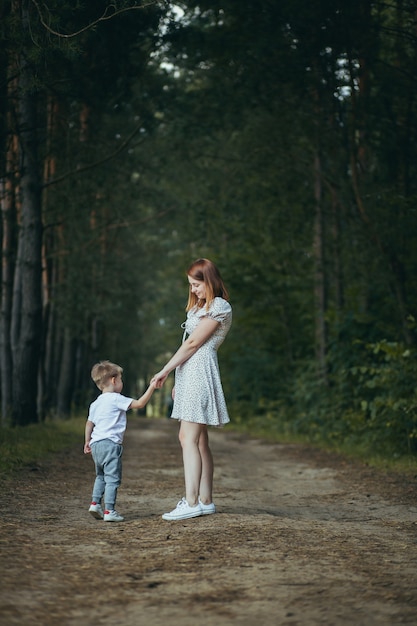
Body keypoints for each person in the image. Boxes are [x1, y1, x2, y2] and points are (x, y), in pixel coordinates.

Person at [151, 258, 232, 521]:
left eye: (196, 284)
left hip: (200, 373)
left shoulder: (220, 306)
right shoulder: (198, 308)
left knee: (187, 438)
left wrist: (163, 370)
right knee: (199, 440)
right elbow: (188, 346)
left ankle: (192, 501)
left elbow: (194, 344)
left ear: (209, 281)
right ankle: (205, 500)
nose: (193, 290)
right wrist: (177, 379)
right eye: (190, 285)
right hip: (190, 374)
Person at [84, 360, 155, 522]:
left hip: (96, 444)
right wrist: (151, 387)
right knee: (112, 478)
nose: (121, 383)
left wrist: (87, 441)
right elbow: (140, 404)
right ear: (114, 380)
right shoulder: (116, 399)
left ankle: (95, 503)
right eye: (121, 380)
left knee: (100, 475)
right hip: (110, 444)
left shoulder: (95, 404)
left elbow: (89, 424)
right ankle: (109, 511)